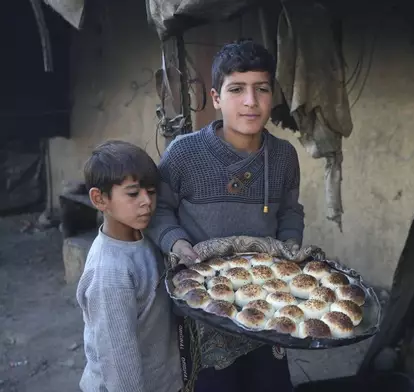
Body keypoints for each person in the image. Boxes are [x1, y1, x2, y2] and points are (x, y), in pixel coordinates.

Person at [146, 39, 304, 391]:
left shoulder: (283, 157)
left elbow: (291, 211)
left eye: (261, 89)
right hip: (203, 304)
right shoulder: (184, 154)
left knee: (270, 382)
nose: (250, 101)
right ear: (216, 98)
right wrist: (179, 244)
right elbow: (160, 211)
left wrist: (291, 248)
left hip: (268, 298)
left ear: (273, 95)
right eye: (237, 89)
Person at [76, 140, 182, 392]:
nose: (147, 201)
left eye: (152, 191)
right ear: (99, 199)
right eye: (133, 193)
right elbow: (118, 357)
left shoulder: (145, 237)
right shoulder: (110, 273)